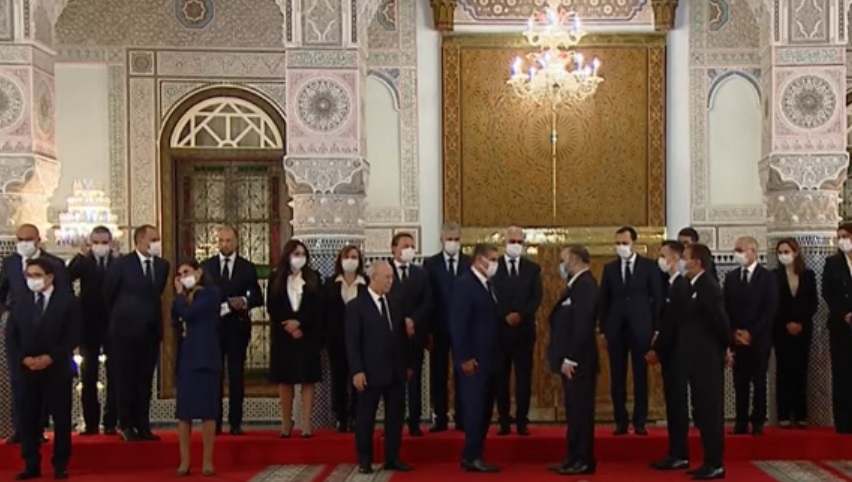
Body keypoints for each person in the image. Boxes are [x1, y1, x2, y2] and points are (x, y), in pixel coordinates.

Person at [6, 258, 80, 480]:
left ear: (49, 277)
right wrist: (24, 359)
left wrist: (51, 357)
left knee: (61, 418)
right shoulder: (20, 302)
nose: (32, 280)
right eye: (29, 276)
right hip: (27, 370)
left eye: (37, 275)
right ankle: (31, 463)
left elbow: (73, 334)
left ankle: (60, 464)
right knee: (28, 417)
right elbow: (12, 337)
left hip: (56, 369)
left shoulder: (68, 302)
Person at [0, 223, 70, 444]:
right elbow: (3, 291)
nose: (24, 243)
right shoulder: (9, 263)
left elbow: (65, 296)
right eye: (20, 239)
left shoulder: (55, 264)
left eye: (28, 239)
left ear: (38, 240)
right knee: (18, 380)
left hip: (47, 328)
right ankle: (21, 428)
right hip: (19, 329)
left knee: (45, 381)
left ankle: (40, 427)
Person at [345, 260, 413, 474]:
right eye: (387, 277)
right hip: (369, 372)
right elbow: (352, 342)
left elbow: (401, 338)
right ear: (373, 278)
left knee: (395, 418)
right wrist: (357, 370)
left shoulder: (395, 303)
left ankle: (392, 458)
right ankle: (365, 460)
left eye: (392, 277)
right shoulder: (356, 306)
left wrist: (407, 364)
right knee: (365, 418)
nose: (391, 281)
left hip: (395, 371)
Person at [103, 224, 170, 442]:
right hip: (124, 333)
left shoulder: (162, 266)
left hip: (150, 332)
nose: (157, 243)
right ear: (140, 240)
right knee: (125, 380)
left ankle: (143, 425)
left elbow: (156, 294)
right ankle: (125, 424)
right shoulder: (121, 264)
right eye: (153, 239)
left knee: (144, 381)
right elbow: (108, 294)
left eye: (158, 239)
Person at [200, 225, 263, 435]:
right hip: (214, 329)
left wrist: (244, 301)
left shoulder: (247, 267)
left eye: (228, 240)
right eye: (221, 240)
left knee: (236, 375)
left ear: (236, 242)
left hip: (237, 328)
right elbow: (199, 296)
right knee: (214, 376)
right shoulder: (206, 267)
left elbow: (257, 296)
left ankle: (235, 422)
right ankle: (215, 422)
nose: (225, 244)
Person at [599, 225, 662, 435]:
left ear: (633, 243)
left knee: (640, 377)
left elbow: (657, 299)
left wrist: (656, 328)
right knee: (617, 377)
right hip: (616, 329)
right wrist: (603, 330)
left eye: (624, 243)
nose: (621, 247)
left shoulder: (649, 266)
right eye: (618, 243)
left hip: (641, 328)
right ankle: (620, 421)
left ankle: (640, 421)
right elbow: (604, 301)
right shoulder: (610, 269)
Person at [547, 245, 598, 476]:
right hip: (570, 361)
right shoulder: (574, 284)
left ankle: (584, 459)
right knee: (573, 411)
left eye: (563, 259)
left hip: (579, 362)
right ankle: (572, 457)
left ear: (574, 260)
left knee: (581, 412)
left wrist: (571, 358)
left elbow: (583, 325)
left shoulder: (586, 285)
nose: (561, 264)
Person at [450, 243, 501, 472]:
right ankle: (471, 455)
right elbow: (458, 324)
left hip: (489, 360)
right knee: (474, 409)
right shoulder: (465, 285)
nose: (495, 264)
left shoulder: (488, 285)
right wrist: (464, 357)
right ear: (480, 260)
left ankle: (477, 453)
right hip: (474, 361)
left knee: (484, 409)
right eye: (493, 259)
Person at [682, 243, 730, 480]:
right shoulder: (693, 285)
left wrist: (726, 346)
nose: (683, 261)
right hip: (696, 358)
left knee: (711, 412)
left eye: (685, 257)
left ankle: (715, 462)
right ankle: (708, 460)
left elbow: (720, 321)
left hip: (708, 359)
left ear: (697, 262)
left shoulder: (707, 286)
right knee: (702, 411)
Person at [266, 239, 323, 437]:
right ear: (287, 255)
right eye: (296, 254)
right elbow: (272, 306)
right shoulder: (276, 278)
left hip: (307, 335)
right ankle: (286, 420)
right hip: (283, 335)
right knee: (285, 379)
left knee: (307, 379)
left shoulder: (314, 278)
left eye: (303, 254)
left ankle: (306, 423)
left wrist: (300, 323)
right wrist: (289, 326)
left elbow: (317, 307)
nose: (300, 258)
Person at [171, 259, 222, 477]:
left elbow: (189, 314)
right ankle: (185, 461)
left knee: (208, 413)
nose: (183, 277)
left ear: (198, 273)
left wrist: (180, 297)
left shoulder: (211, 294)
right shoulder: (181, 298)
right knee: (185, 413)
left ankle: (207, 461)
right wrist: (180, 297)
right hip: (187, 358)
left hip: (207, 357)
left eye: (187, 272)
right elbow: (175, 318)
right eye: (180, 274)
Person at [67, 225, 118, 435]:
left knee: (115, 375)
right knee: (89, 375)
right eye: (96, 243)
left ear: (111, 243)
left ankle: (111, 421)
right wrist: (80, 255)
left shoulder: (118, 262)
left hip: (114, 325)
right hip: (88, 325)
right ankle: (90, 422)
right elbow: (66, 278)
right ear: (90, 243)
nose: (100, 246)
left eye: (104, 242)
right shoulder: (84, 262)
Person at [723, 236, 777, 435]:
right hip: (737, 338)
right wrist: (734, 332)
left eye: (740, 250)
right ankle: (741, 422)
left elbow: (770, 309)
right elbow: (725, 308)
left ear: (753, 251)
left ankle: (758, 421)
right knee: (740, 382)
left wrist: (751, 332)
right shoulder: (731, 278)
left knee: (759, 380)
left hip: (759, 339)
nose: (736, 253)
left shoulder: (768, 277)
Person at [492, 226, 542, 436]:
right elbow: (490, 295)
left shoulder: (532, 269)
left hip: (524, 332)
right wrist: (505, 314)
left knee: (523, 378)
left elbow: (536, 298)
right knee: (501, 378)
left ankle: (522, 420)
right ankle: (504, 420)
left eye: (519, 242)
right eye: (512, 241)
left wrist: (521, 314)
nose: (516, 245)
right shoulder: (494, 267)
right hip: (500, 332)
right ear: (504, 243)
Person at [422, 223, 471, 432]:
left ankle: (462, 417)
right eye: (449, 239)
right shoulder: (430, 264)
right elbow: (427, 298)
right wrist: (428, 331)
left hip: (464, 330)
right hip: (439, 328)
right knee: (438, 374)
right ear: (441, 240)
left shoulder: (469, 263)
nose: (453, 243)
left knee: (463, 373)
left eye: (456, 239)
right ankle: (440, 417)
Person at [647, 241, 691, 470]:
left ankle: (680, 453)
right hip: (671, 354)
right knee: (673, 405)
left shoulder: (681, 286)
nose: (660, 260)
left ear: (675, 258)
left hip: (677, 354)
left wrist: (657, 349)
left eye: (663, 255)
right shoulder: (671, 284)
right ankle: (675, 451)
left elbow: (673, 325)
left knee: (677, 405)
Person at [387, 232, 432, 436]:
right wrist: (401, 321)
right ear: (394, 248)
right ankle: (393, 423)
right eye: (405, 245)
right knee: (392, 381)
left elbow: (427, 302)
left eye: (412, 246)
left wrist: (413, 320)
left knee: (415, 379)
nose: (409, 250)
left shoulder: (420, 274)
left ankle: (414, 422)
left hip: (415, 335)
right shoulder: (384, 271)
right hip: (392, 336)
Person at [773, 238, 818, 429]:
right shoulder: (774, 276)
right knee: (783, 371)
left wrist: (801, 323)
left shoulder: (808, 275)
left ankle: (800, 414)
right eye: (780, 252)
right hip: (781, 329)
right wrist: (786, 323)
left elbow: (813, 303)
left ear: (795, 252)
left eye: (786, 251)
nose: (783, 255)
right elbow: (773, 303)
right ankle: (783, 414)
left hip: (803, 329)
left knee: (800, 371)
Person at [322, 245, 367, 432]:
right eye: (347, 257)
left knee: (359, 378)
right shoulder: (331, 284)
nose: (350, 260)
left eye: (354, 257)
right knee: (338, 378)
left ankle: (357, 416)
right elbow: (324, 312)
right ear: (340, 261)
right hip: (337, 339)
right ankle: (341, 416)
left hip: (361, 340)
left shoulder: (366, 283)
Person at [821, 222, 852, 434]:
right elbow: (828, 292)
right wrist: (844, 313)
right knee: (842, 373)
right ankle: (843, 422)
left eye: (846, 236)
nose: (842, 240)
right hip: (841, 325)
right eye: (839, 236)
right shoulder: (832, 263)